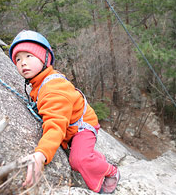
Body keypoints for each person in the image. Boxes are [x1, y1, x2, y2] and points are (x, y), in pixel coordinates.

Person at [8, 30, 120, 193]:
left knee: (78, 160)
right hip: (71, 123)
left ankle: (112, 171)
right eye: (18, 59)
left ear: (44, 58)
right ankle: (94, 159)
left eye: (28, 56)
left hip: (82, 125)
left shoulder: (54, 88)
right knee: (78, 153)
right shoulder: (38, 83)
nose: (22, 63)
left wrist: (41, 154)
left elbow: (55, 125)